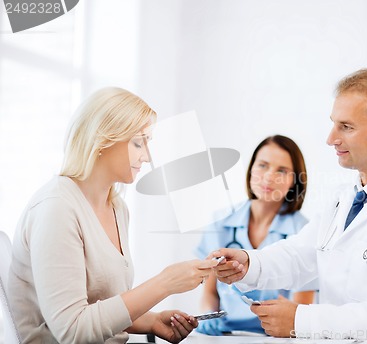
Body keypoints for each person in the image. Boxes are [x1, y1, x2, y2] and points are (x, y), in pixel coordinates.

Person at [209, 68, 367, 339]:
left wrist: (302, 320)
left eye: (346, 127)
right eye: (334, 123)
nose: (331, 139)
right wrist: (249, 264)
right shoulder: (345, 198)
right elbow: (300, 255)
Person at [8, 87, 217, 344]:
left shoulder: (117, 207)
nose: (147, 156)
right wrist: (165, 283)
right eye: (138, 142)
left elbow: (102, 307)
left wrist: (152, 320)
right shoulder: (56, 207)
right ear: (103, 141)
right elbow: (73, 330)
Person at [195, 135, 316, 335]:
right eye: (262, 165)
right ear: (251, 169)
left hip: (278, 337)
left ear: (294, 181)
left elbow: (300, 308)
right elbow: (209, 292)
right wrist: (208, 315)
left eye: (282, 171)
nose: (269, 176)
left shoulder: (305, 231)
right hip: (224, 334)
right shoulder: (220, 222)